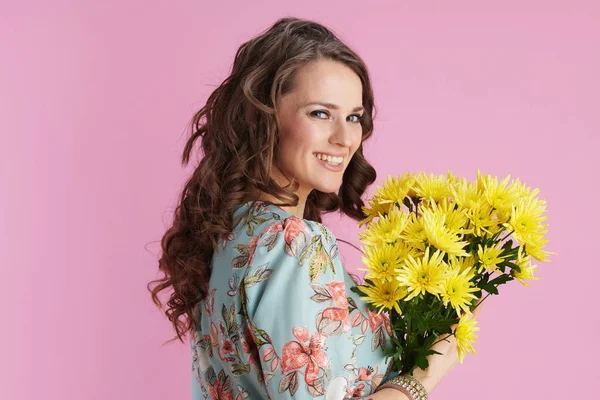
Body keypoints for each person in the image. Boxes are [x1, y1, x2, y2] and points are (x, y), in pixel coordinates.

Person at [148, 17, 483, 399]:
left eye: (353, 117)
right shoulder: (292, 244)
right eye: (320, 113)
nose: (344, 138)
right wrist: (421, 378)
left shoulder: (230, 235)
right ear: (264, 118)